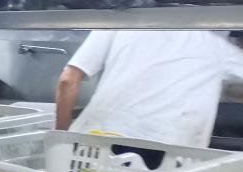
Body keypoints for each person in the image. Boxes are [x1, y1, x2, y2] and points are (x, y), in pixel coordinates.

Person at [56, 30, 243, 147]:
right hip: (165, 153)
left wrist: (59, 139)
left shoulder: (118, 20)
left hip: (91, 144)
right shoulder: (215, 41)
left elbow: (68, 81)